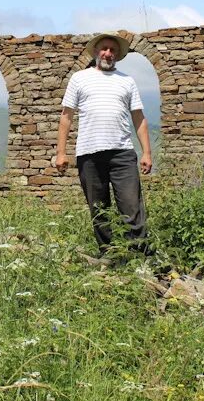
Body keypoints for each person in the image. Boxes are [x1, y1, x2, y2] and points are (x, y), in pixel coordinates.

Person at [56, 32, 152, 255]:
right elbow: (66, 116)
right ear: (96, 51)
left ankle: (139, 257)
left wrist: (147, 152)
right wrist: (61, 153)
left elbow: (139, 117)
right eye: (105, 49)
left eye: (113, 50)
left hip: (123, 154)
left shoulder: (127, 81)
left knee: (132, 208)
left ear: (117, 55)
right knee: (99, 210)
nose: (108, 53)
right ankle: (109, 256)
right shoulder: (79, 78)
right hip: (89, 154)